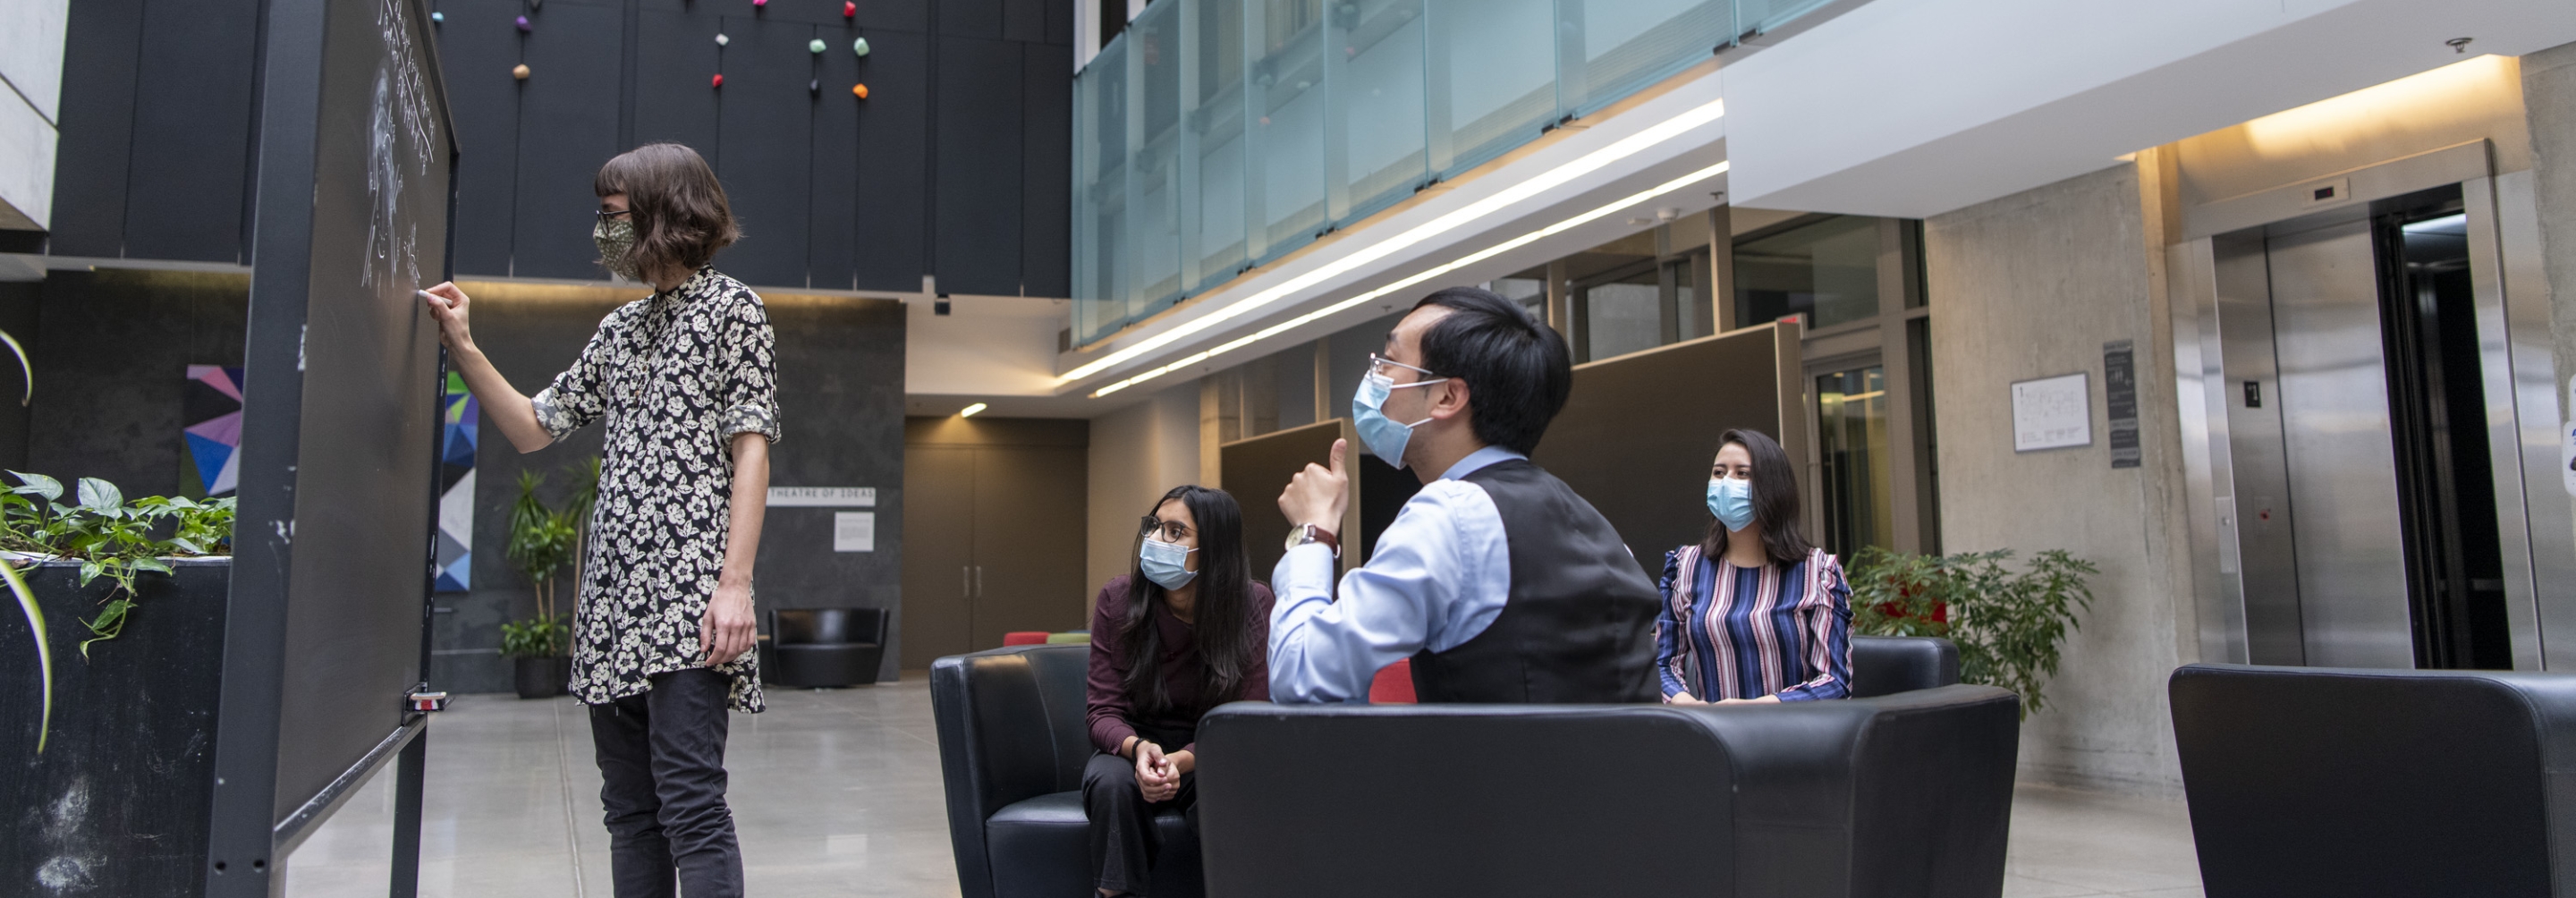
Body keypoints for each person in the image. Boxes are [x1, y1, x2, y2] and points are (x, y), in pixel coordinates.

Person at [421, 142, 777, 898]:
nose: (602, 232)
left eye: (612, 216)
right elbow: (531, 426)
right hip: (612, 607)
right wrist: (464, 344)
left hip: (690, 600)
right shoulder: (619, 333)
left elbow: (752, 452)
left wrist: (734, 585)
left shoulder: (733, 309)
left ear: (660, 214)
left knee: (692, 807)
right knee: (630, 814)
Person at [1269, 287, 1659, 703]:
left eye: (1388, 362)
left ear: (1447, 396)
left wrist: (1314, 533)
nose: (1374, 378)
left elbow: (1301, 675)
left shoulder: (1449, 515)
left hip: (1492, 769)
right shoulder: (1591, 520)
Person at [1083, 486, 1274, 897]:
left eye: (1174, 532)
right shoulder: (1117, 599)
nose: (1154, 540)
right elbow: (1102, 711)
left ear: (1213, 549)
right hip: (1132, 745)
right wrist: (1138, 749)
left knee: (1237, 790)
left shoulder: (1252, 604)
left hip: (1213, 749)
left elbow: (1249, 717)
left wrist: (1182, 761)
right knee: (1110, 787)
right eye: (1154, 527)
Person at [1657, 428, 1853, 705]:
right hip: (1710, 735)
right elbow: (1662, 663)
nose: (1726, 483)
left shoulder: (1818, 573)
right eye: (1719, 472)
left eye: (1742, 474)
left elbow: (1835, 681)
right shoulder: (1685, 567)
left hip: (1794, 739)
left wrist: (1757, 708)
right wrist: (1685, 703)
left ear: (1773, 487)